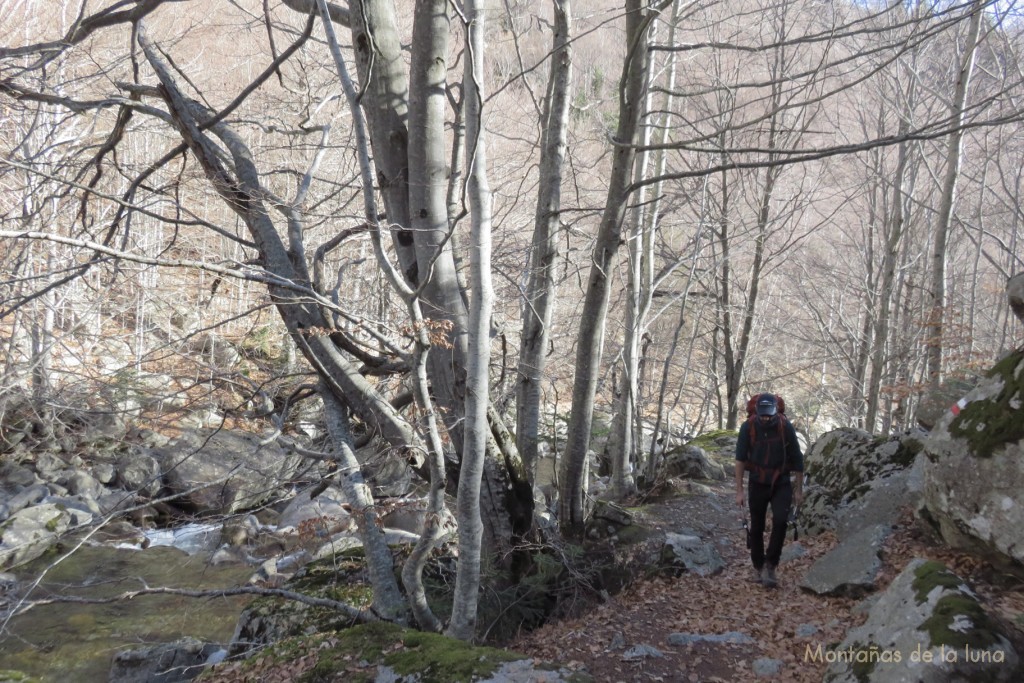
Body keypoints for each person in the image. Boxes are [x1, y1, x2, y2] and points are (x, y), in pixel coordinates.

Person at [734, 393, 804, 588]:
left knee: (781, 521)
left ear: (775, 413)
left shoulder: (784, 426)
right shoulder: (748, 427)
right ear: (756, 413)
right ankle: (758, 566)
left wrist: (799, 490)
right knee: (756, 526)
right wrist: (739, 490)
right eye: (762, 415)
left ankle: (771, 565)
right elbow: (740, 460)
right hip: (757, 481)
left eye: (769, 416)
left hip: (780, 481)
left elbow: (798, 460)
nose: (765, 419)